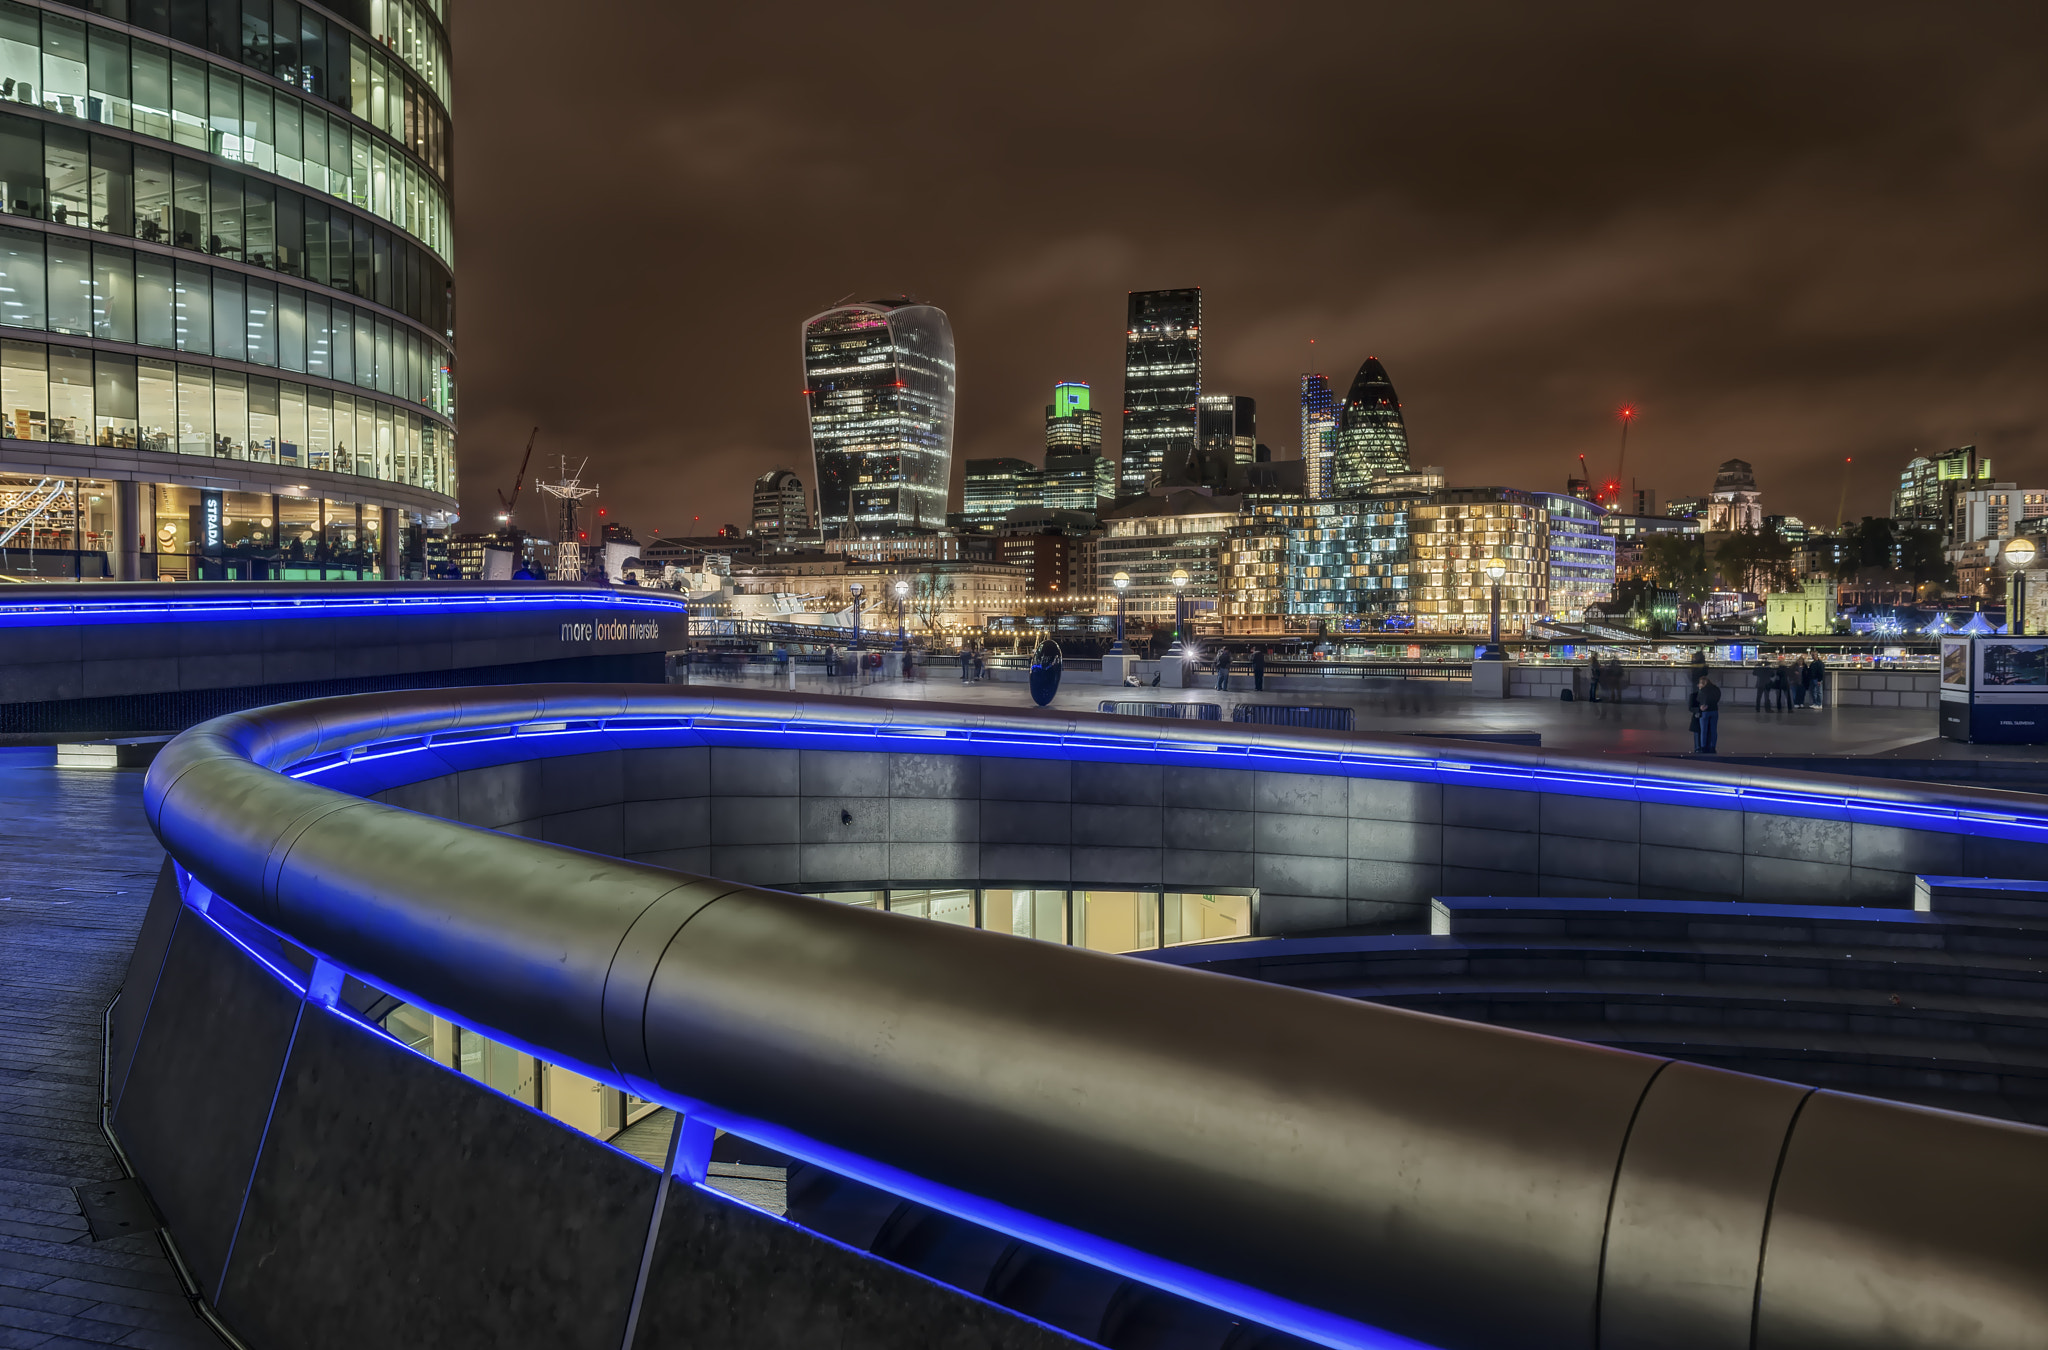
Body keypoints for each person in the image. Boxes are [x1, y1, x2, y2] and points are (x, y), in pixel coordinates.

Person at [1689, 673, 1721, 753]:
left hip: (1705, 712)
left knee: (1703, 730)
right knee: (1714, 730)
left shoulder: (1702, 691)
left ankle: (1702, 747)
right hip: (1714, 710)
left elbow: (1699, 700)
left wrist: (1701, 707)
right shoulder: (1716, 689)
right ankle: (1712, 746)